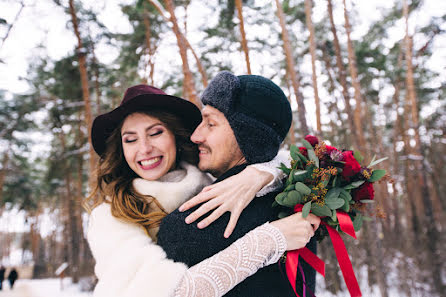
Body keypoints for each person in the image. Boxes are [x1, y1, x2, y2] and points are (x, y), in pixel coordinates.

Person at [86, 84, 320, 297]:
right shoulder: (111, 215)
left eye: (155, 133)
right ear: (121, 149)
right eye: (130, 140)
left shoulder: (211, 183)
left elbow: (289, 160)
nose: (144, 149)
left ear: (176, 137)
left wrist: (261, 174)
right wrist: (268, 241)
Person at [157, 71, 318, 297]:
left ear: (248, 137)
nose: (195, 136)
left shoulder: (187, 227)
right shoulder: (302, 204)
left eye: (210, 124)